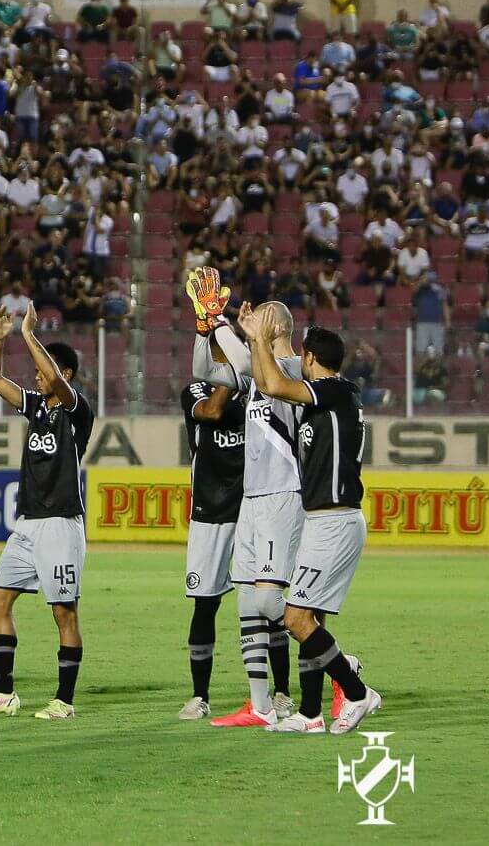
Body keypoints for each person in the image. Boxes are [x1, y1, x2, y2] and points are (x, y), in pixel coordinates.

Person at [238, 313, 379, 734]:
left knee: (297, 619)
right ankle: (311, 714)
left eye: (301, 354)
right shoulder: (334, 395)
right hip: (326, 520)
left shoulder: (332, 391)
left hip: (333, 523)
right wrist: (256, 341)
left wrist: (261, 338)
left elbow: (275, 385)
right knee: (309, 619)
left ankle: (355, 688)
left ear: (310, 357)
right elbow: (267, 384)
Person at [0, 302, 94, 721]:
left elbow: (53, 376)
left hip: (61, 524)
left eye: (44, 370)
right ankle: (3, 693)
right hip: (27, 524)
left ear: (66, 375)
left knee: (63, 611)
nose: (37, 376)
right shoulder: (36, 407)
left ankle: (64, 701)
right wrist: (0, 340)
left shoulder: (78, 411)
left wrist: (28, 334)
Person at [188, 268, 301, 729]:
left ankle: (337, 664)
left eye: (260, 319)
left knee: (274, 605)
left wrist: (221, 321)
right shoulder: (255, 376)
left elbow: (255, 365)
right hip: (249, 500)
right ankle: (259, 705)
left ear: (276, 327)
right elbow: (203, 370)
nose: (252, 321)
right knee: (247, 605)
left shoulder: (291, 372)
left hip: (281, 496)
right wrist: (205, 328)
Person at [174, 379, 245, 720]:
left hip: (254, 509)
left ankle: (282, 694)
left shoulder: (261, 386)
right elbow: (213, 412)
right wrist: (232, 380)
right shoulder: (196, 390)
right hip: (210, 510)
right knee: (205, 605)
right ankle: (200, 696)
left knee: (267, 602)